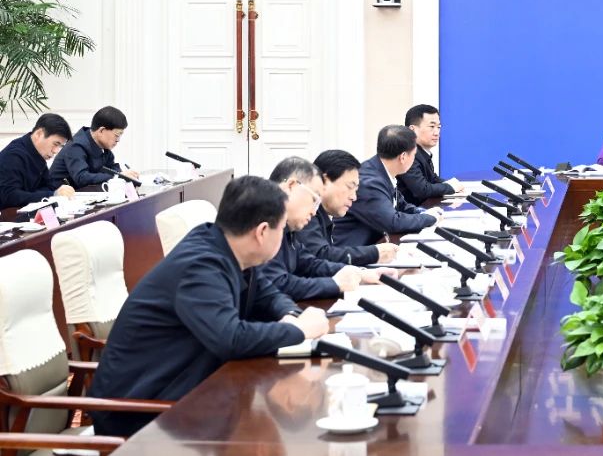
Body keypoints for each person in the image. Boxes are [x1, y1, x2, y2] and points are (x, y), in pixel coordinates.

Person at [88, 175, 329, 438]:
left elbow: (268, 294)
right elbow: (231, 339)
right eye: (281, 228)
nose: (283, 236)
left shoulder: (227, 249)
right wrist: (300, 330)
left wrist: (291, 315)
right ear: (261, 232)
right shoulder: (200, 265)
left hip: (189, 393)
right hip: (139, 414)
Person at [259, 157, 380, 301]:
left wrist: (358, 273)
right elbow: (278, 283)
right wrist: (334, 284)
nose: (314, 212)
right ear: (291, 186)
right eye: (314, 200)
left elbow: (309, 263)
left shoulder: (286, 226)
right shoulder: (262, 222)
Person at [332, 125, 437, 247]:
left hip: (379, 245)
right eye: (414, 155)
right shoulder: (369, 182)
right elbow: (393, 222)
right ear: (403, 157)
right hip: (359, 252)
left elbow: (401, 205)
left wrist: (423, 212)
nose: (414, 160)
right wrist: (430, 218)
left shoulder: (380, 170)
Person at [298, 149, 398, 266]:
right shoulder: (305, 211)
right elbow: (320, 255)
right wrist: (375, 253)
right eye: (350, 187)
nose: (354, 197)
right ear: (324, 181)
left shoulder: (323, 214)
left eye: (356, 190)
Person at [50, 105, 139, 189]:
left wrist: (124, 175)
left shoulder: (104, 147)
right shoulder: (76, 146)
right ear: (101, 131)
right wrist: (118, 176)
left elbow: (112, 169)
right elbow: (82, 178)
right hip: (56, 196)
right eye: (117, 135)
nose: (118, 140)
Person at [0, 112, 74, 209]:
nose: (56, 151)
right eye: (55, 144)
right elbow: (9, 196)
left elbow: (49, 186)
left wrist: (53, 193)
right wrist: (52, 195)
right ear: (39, 134)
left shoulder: (37, 153)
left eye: (60, 146)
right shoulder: (13, 156)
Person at [398, 104, 455, 208]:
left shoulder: (422, 153)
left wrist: (452, 183)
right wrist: (451, 187)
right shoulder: (407, 154)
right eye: (432, 127)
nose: (437, 133)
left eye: (439, 127)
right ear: (412, 130)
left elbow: (432, 179)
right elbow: (422, 190)